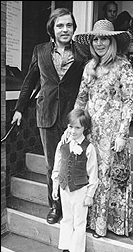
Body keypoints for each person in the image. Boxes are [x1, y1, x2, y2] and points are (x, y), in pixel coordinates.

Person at [11, 8, 90, 225]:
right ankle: (55, 206)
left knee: (75, 162)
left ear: (74, 28)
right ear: (52, 28)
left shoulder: (83, 52)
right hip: (46, 115)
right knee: (52, 164)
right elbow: (29, 81)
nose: (65, 29)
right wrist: (19, 109)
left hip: (73, 118)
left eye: (69, 25)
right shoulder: (40, 50)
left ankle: (74, 205)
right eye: (60, 25)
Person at [71, 19, 133, 237]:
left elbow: (128, 101)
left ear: (112, 41)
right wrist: (73, 126)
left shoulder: (123, 65)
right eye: (95, 38)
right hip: (91, 130)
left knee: (110, 177)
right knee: (92, 174)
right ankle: (89, 222)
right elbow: (81, 98)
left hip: (113, 133)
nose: (99, 43)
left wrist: (122, 134)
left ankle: (106, 225)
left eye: (103, 38)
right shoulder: (89, 66)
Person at [51, 109, 98, 252]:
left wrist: (89, 194)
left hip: (80, 189)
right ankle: (66, 246)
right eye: (71, 127)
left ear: (85, 128)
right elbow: (57, 166)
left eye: (78, 128)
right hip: (64, 188)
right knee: (67, 218)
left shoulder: (88, 148)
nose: (73, 131)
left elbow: (93, 173)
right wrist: (55, 186)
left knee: (79, 221)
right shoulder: (63, 144)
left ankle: (75, 251)